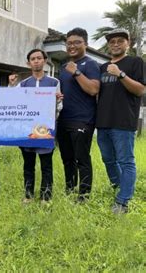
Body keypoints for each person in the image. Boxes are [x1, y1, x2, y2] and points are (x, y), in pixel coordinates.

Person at [96, 28, 145, 214]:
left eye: (120, 41)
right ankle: (118, 186)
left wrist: (121, 74)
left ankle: (123, 201)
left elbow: (140, 90)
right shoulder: (102, 67)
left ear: (128, 43)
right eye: (112, 41)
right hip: (103, 122)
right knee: (108, 159)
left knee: (126, 161)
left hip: (123, 121)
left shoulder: (135, 62)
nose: (115, 44)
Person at [57, 27, 100, 203]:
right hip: (63, 118)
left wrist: (76, 72)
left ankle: (84, 195)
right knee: (67, 158)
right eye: (69, 43)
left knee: (81, 158)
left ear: (86, 44)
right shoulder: (62, 67)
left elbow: (93, 89)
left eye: (76, 42)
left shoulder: (90, 64)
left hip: (83, 119)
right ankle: (70, 189)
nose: (72, 46)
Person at [16, 49, 63, 205]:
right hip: (27, 131)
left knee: (46, 165)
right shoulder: (22, 84)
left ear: (44, 60)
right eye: (32, 59)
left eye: (39, 58)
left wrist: (56, 102)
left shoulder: (54, 83)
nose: (36, 61)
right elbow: (15, 104)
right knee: (28, 165)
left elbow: (59, 108)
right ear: (28, 62)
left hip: (45, 131)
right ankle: (28, 196)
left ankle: (46, 197)